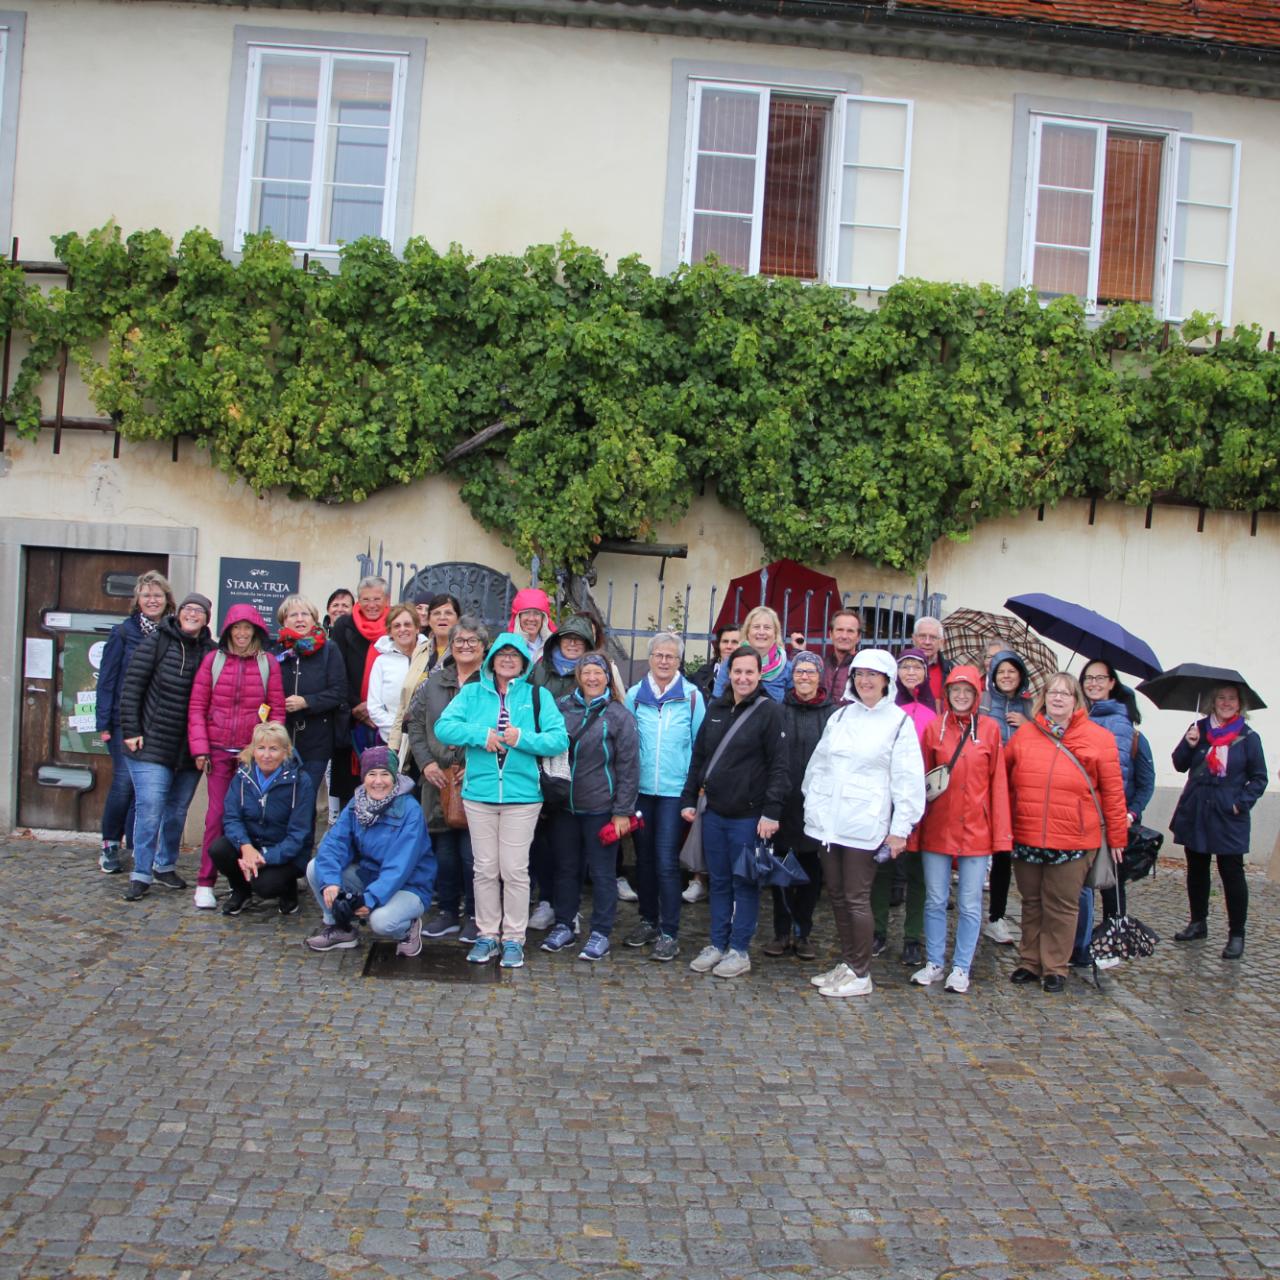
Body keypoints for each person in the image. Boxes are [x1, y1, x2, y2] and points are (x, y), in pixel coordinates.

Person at [434, 632, 569, 969]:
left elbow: (558, 738)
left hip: (522, 796)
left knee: (514, 869)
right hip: (478, 793)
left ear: (524, 662)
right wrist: (481, 736)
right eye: (502, 654)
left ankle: (513, 938)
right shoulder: (471, 693)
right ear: (492, 659)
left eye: (515, 655)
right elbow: (443, 727)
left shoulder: (538, 696)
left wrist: (522, 738)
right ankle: (487, 935)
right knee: (484, 869)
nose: (508, 660)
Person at [802, 649, 925, 998]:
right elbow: (819, 764)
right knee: (838, 897)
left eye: (873, 675)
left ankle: (861, 971)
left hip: (865, 824)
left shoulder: (898, 722)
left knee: (857, 898)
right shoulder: (841, 717)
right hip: (830, 822)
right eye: (859, 674)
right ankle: (848, 961)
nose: (865, 681)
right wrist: (812, 802)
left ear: (887, 680)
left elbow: (907, 779)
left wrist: (900, 828)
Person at [1004, 673, 1127, 992]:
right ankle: (1029, 961)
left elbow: (1113, 792)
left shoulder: (1098, 738)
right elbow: (1004, 779)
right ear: (1044, 698)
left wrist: (1117, 838)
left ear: (1077, 700)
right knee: (1031, 902)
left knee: (1061, 904)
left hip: (1073, 838)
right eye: (1052, 693)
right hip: (1028, 833)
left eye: (1066, 694)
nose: (1058, 698)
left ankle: (1055, 966)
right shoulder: (1026, 734)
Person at [680, 645, 789, 979]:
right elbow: (699, 758)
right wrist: (688, 799)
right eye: (737, 671)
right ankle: (717, 943)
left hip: (749, 816)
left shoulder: (770, 712)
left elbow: (779, 766)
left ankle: (739, 950)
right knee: (720, 881)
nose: (742, 678)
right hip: (714, 812)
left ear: (760, 675)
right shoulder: (716, 707)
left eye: (749, 672)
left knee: (745, 884)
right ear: (729, 673)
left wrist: (771, 812)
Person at [911, 666, 1012, 994]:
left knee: (969, 903)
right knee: (935, 899)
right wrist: (915, 829)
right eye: (956, 689)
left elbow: (998, 783)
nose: (961, 696)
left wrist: (1000, 835)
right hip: (939, 827)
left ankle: (961, 967)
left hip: (976, 830)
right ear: (947, 692)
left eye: (968, 690)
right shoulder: (932, 729)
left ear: (977, 694)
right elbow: (921, 782)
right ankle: (935, 961)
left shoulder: (991, 730)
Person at [119, 593, 217, 902]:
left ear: (206, 619)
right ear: (179, 613)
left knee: (176, 812)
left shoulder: (212, 652)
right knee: (150, 808)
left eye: (198, 611)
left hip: (189, 748)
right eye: (187, 609)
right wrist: (131, 729)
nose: (192, 614)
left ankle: (165, 865)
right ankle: (141, 873)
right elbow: (132, 686)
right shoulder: (158, 641)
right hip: (151, 742)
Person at [542, 654, 640, 960]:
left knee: (601, 873)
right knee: (566, 869)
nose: (593, 678)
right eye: (587, 673)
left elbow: (629, 766)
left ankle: (601, 931)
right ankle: (564, 924)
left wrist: (622, 810)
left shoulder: (619, 715)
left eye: (599, 673)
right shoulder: (560, 707)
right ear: (578, 676)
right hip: (564, 806)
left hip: (600, 807)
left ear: (608, 678)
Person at [403, 615, 489, 946]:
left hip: (474, 779)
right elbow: (414, 726)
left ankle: (474, 915)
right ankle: (448, 912)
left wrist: (477, 764)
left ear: (483, 647)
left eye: (472, 641)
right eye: (460, 641)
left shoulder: (491, 684)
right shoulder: (433, 682)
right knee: (444, 853)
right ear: (450, 646)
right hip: (436, 779)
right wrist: (425, 764)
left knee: (472, 854)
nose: (465, 646)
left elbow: (499, 728)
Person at [304, 746, 436, 956]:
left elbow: (400, 866)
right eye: (371, 774)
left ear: (394, 777)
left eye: (385, 774)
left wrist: (370, 898)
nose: (378, 781)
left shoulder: (410, 810)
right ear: (364, 777)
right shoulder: (357, 803)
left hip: (409, 885)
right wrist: (330, 881)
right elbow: (334, 843)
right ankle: (340, 926)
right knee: (315, 869)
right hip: (369, 875)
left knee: (381, 922)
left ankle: (407, 928)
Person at [622, 634, 705, 961]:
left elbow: (700, 745)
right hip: (641, 791)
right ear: (650, 657)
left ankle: (670, 931)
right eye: (659, 655)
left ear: (679, 661)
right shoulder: (634, 696)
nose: (664, 661)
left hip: (674, 793)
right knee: (643, 861)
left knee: (666, 861)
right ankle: (647, 920)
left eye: (671, 656)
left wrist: (693, 789)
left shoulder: (692, 697)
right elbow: (626, 741)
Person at [1170, 683, 1268, 960]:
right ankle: (1197, 922)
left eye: (1232, 699)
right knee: (1197, 868)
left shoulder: (1248, 737)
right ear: (1213, 702)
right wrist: (1189, 745)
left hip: (1228, 812)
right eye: (1221, 698)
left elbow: (1260, 777)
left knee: (1232, 872)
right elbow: (1179, 764)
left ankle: (1237, 934)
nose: (1226, 703)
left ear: (1240, 705)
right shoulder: (1198, 729)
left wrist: (1240, 803)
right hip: (1198, 807)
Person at [1075, 660, 1156, 968]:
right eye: (1088, 678)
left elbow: (1145, 784)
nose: (1093, 683)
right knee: (1081, 882)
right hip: (1081, 817)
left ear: (1112, 683)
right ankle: (1081, 944)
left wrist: (1131, 814)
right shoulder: (1077, 721)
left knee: (1110, 883)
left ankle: (1109, 945)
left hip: (1115, 820)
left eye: (1100, 678)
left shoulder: (1132, 734)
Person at [95, 570, 175, 874]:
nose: (152, 600)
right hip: (122, 721)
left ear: (167, 600)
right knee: (125, 783)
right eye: (146, 595)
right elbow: (107, 680)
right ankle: (110, 844)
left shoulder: (173, 632)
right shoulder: (124, 633)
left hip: (157, 722)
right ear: (137, 600)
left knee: (147, 788)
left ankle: (135, 848)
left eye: (158, 595)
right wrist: (104, 723)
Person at [525, 614, 598, 928]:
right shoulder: (539, 669)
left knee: (571, 844)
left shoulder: (594, 672)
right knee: (540, 838)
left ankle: (569, 905)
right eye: (567, 638)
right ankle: (546, 900)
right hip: (542, 759)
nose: (571, 644)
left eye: (578, 641)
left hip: (580, 762)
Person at [765, 650, 832, 961]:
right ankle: (781, 931)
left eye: (810, 671)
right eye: (799, 671)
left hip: (817, 806)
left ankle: (803, 932)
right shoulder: (779, 710)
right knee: (780, 870)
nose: (804, 677)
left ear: (820, 676)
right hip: (784, 803)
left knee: (810, 873)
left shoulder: (832, 714)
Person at [871, 646, 936, 965]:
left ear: (926, 674)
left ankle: (912, 937)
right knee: (881, 867)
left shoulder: (934, 714)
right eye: (905, 667)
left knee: (917, 873)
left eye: (917, 668)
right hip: (885, 798)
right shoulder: (886, 710)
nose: (911, 673)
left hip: (922, 801)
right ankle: (877, 931)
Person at [209, 721, 315, 917]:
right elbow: (232, 818)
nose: (266, 755)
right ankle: (241, 891)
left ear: (285, 751)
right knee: (219, 850)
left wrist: (263, 858)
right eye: (261, 748)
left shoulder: (301, 782)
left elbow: (298, 835)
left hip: (285, 851)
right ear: (253, 750)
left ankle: (288, 889)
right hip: (251, 845)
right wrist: (246, 847)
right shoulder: (242, 776)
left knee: (266, 887)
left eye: (273, 749)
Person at [979, 648, 1035, 946]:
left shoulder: (1031, 707)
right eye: (1001, 672)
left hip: (1017, 790)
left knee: (1003, 856)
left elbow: (1044, 743)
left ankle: (997, 917)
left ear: (1020, 675)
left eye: (1012, 671)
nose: (1006, 676)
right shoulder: (984, 704)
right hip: (986, 788)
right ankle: (972, 912)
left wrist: (1028, 726)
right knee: (976, 855)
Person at [275, 594, 349, 806]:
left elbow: (339, 692)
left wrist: (307, 701)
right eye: (293, 615)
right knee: (282, 801)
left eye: (305, 614)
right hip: (282, 738)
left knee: (305, 800)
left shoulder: (329, 649)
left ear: (314, 618)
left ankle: (304, 840)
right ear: (284, 620)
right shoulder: (276, 651)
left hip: (317, 740)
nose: (300, 619)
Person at [328, 576, 390, 809]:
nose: (371, 604)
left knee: (383, 779)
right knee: (349, 789)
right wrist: (357, 706)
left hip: (383, 716)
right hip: (350, 715)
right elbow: (337, 669)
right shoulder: (344, 625)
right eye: (366, 599)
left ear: (387, 600)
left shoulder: (395, 623)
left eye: (377, 599)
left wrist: (376, 708)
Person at [366, 604, 424, 749]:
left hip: (425, 741)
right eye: (397, 626)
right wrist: (399, 728)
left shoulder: (429, 656)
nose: (402, 629)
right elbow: (374, 707)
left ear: (417, 628)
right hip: (391, 741)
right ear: (390, 632)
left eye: (407, 624)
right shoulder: (382, 662)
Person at [712, 605, 792, 702]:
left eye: (767, 627)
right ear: (747, 632)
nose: (761, 632)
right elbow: (716, 701)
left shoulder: (787, 668)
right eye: (756, 627)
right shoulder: (731, 662)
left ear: (775, 634)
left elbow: (791, 708)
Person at [688, 622, 740, 702]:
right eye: (725, 641)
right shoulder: (704, 672)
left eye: (734, 642)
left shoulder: (746, 677)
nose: (729, 646)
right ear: (718, 645)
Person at [822, 609, 861, 704]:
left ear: (858, 637)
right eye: (840, 630)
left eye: (850, 631)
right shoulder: (821, 665)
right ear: (830, 634)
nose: (844, 636)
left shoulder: (864, 667)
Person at [508, 587, 556, 665]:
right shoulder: (506, 646)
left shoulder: (554, 646)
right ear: (518, 617)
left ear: (543, 618)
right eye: (526, 613)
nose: (531, 619)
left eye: (536, 613)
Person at [912, 617, 952, 706]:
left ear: (941, 642)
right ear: (914, 639)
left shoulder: (950, 670)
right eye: (922, 636)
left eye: (933, 637)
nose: (927, 642)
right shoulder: (899, 668)